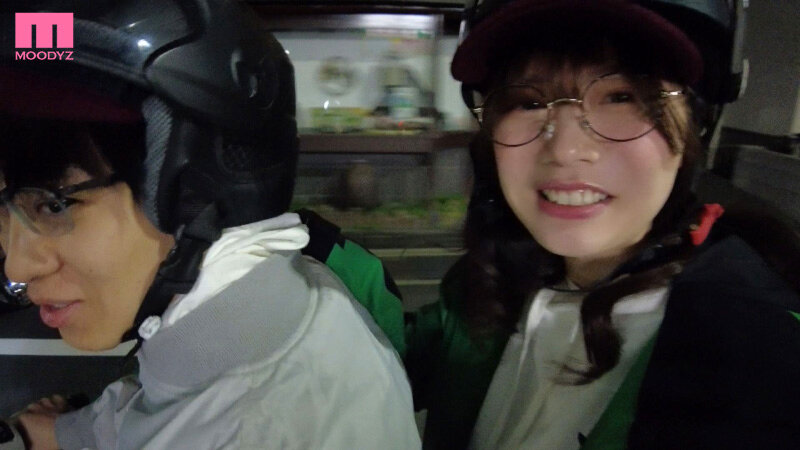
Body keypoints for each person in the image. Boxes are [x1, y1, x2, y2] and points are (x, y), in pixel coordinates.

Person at [376, 0, 800, 448]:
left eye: (622, 97)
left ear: (698, 122)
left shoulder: (754, 351)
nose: (564, 150)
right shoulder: (492, 281)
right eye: (528, 102)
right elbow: (388, 359)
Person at [0, 1, 420, 449]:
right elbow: (167, 402)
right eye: (4, 210)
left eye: (52, 206)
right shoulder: (260, 309)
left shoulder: (254, 426)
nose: (16, 269)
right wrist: (67, 432)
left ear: (196, 191)